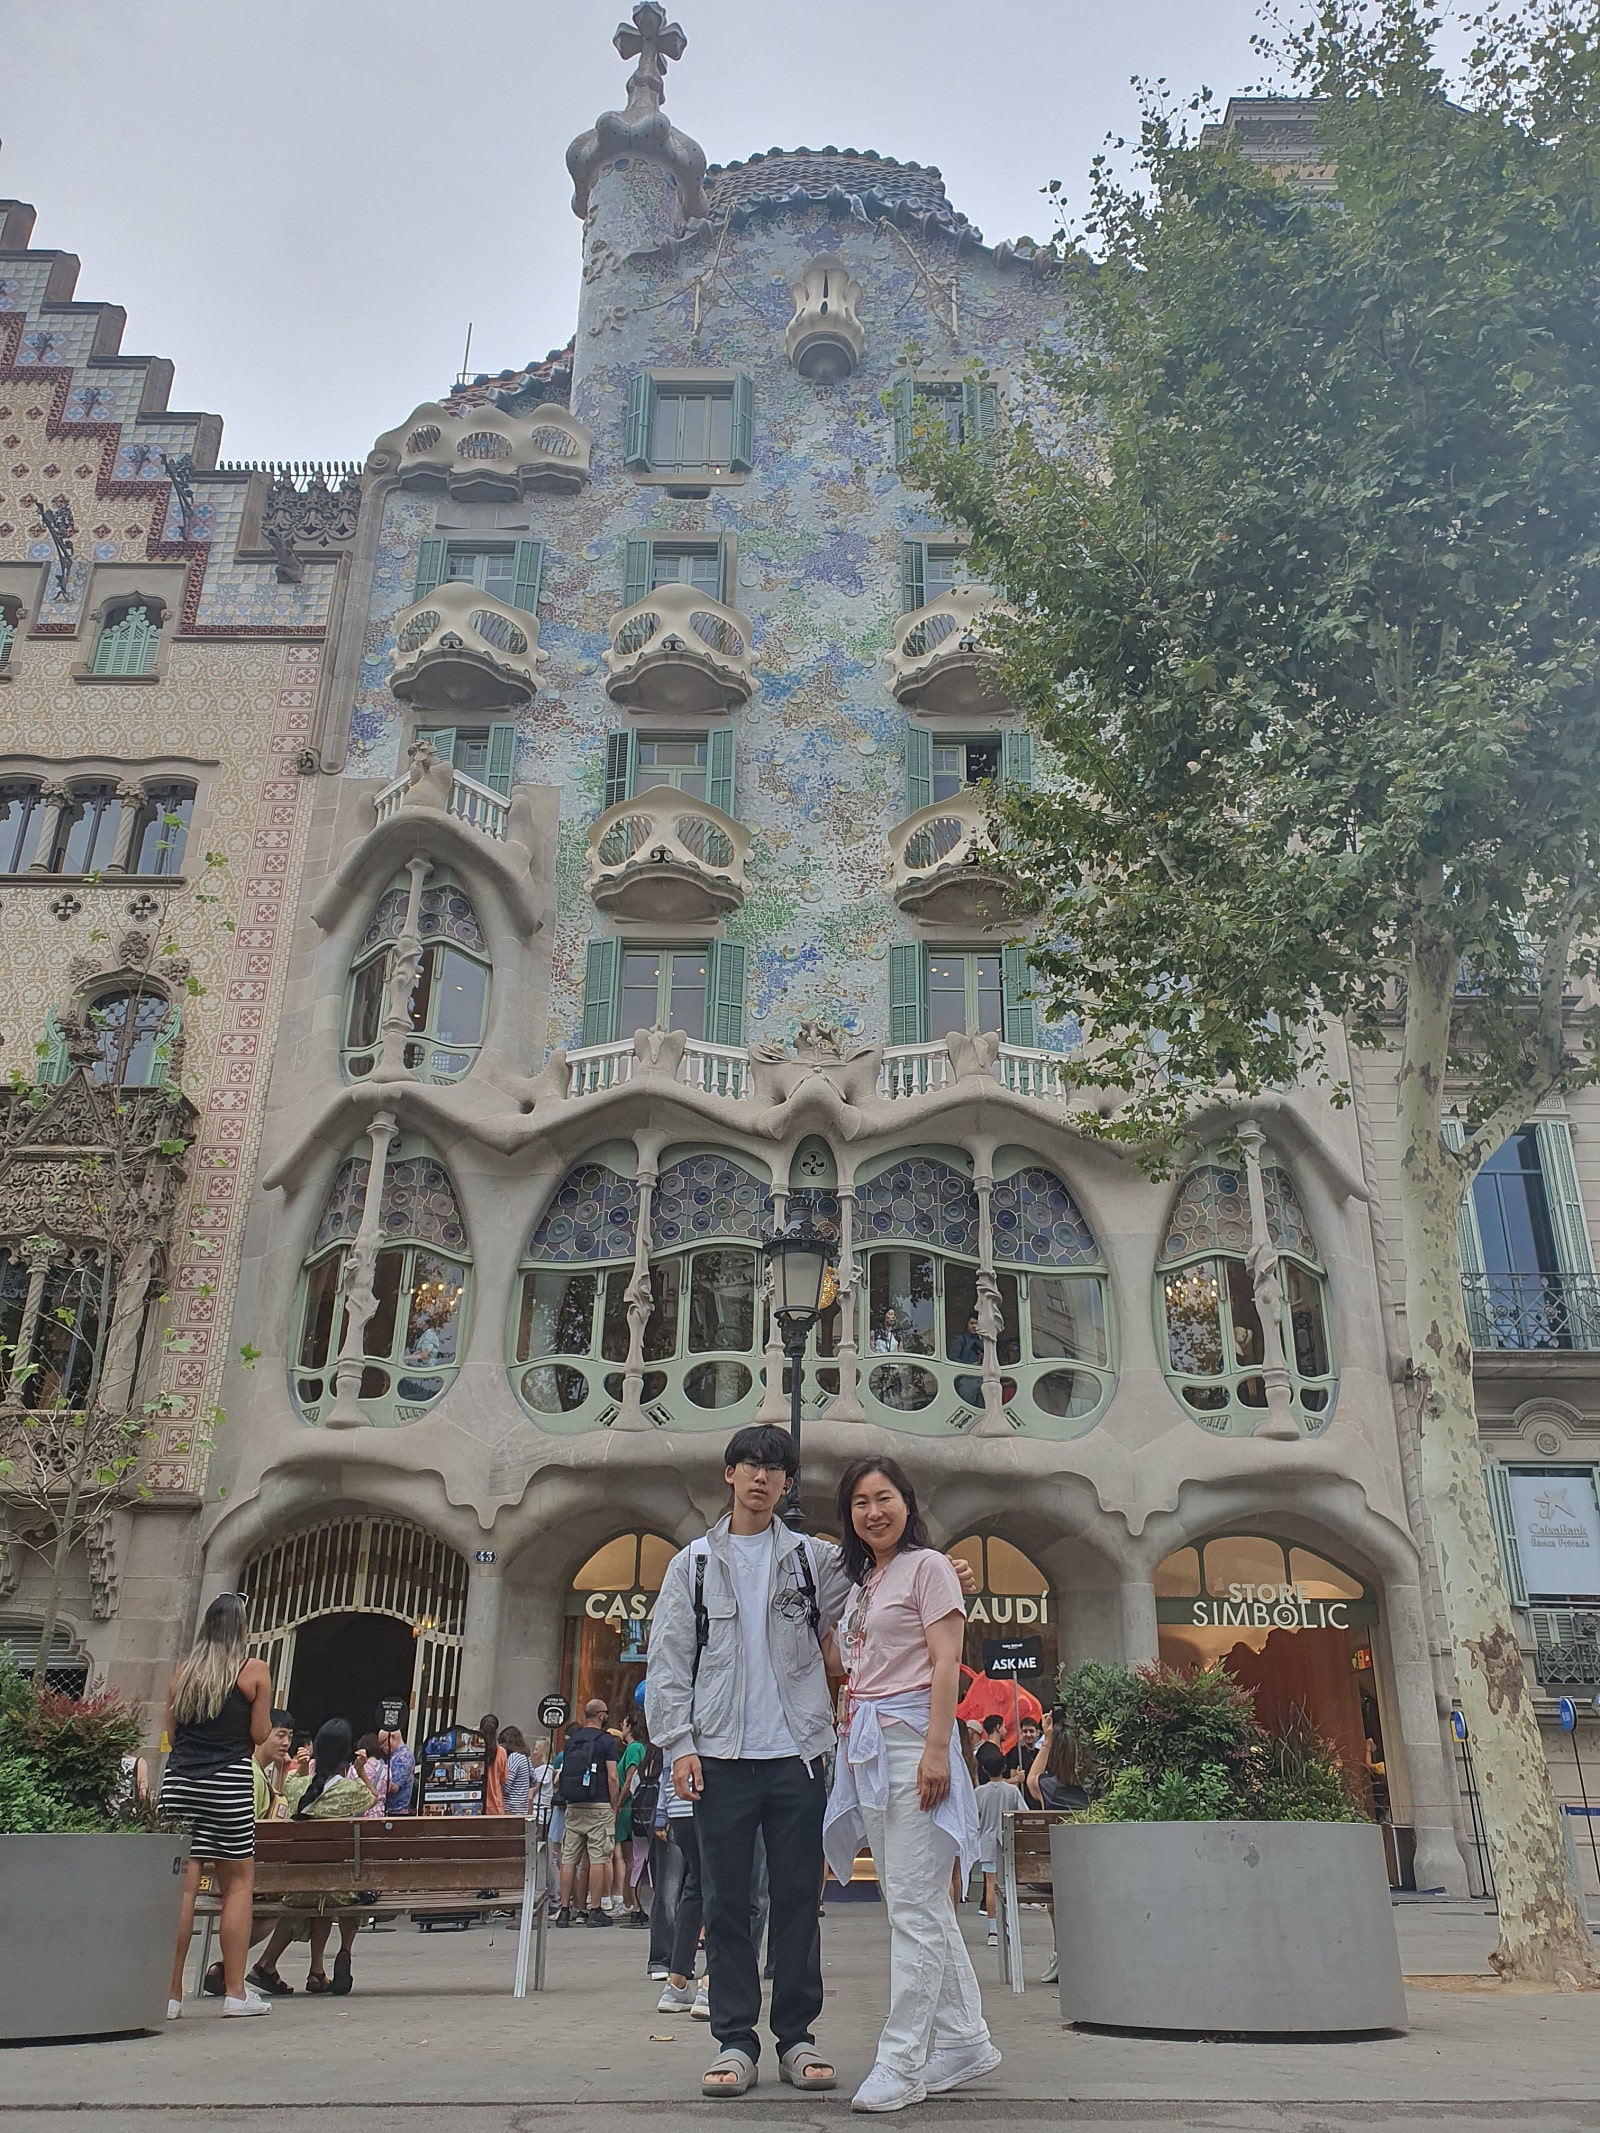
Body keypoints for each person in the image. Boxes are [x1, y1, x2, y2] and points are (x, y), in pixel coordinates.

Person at [823, 1456, 996, 2112]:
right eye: (860, 1502)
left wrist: (936, 1751)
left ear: (907, 1501)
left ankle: (901, 2058)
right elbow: (846, 1659)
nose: (873, 1512)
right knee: (912, 1900)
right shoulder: (864, 1579)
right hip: (867, 1746)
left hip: (911, 1741)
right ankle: (965, 2038)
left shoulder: (928, 1566)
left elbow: (948, 1661)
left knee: (915, 1906)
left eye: (884, 1497)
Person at [159, 1593, 275, 2020]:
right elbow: (260, 1734)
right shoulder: (253, 1671)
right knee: (238, 1885)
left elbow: (171, 1735)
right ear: (241, 1628)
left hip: (179, 1784)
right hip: (227, 1783)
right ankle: (234, 1993)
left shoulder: (182, 1675)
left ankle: (170, 1995)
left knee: (183, 1890)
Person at [253, 1719, 375, 1996]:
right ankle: (343, 1950)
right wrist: (360, 1770)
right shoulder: (350, 1790)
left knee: (315, 1890)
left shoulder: (297, 1786)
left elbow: (290, 1788)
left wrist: (301, 1769)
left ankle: (312, 1971)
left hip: (299, 1886)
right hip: (338, 1889)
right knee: (343, 1888)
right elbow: (372, 1796)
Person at [554, 1697, 620, 1926]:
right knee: (599, 1858)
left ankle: (565, 1909)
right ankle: (595, 1910)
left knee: (569, 1858)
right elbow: (612, 1776)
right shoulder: (606, 1741)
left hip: (574, 1804)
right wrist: (614, 1803)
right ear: (601, 1715)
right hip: (598, 1805)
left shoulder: (573, 1740)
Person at [614, 1707, 657, 1925]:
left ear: (630, 1727)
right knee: (635, 1857)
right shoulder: (644, 1748)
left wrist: (618, 1804)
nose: (621, 1727)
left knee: (632, 1857)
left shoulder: (633, 1748)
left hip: (631, 1807)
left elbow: (630, 1778)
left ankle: (632, 1903)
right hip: (639, 1807)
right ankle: (632, 1902)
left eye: (624, 1724)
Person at [973, 1773, 1024, 1948]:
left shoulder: (979, 1792)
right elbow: (1023, 1813)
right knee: (1008, 1886)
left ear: (985, 1770)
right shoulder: (1012, 1791)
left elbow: (973, 1816)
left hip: (987, 1842)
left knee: (990, 1886)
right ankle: (1008, 1925)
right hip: (1008, 1841)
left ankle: (993, 1930)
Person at [951, 1312, 985, 1406]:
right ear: (967, 1325)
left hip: (982, 1379)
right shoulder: (960, 1339)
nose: (974, 1326)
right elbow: (953, 1359)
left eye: (977, 1323)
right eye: (972, 1323)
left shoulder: (984, 1342)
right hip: (966, 1379)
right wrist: (968, 1366)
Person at [355, 1732, 389, 1818]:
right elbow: (388, 1790)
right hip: (379, 1815)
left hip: (360, 1814)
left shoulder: (354, 1768)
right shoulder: (386, 1769)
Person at [382, 1727, 415, 1814]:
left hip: (396, 1812)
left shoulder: (404, 1757)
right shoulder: (396, 1756)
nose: (382, 1748)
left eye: (383, 1743)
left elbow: (394, 1787)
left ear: (392, 1737)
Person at [501, 1725, 533, 1815]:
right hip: (522, 1808)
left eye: (502, 1743)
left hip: (511, 1808)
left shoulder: (514, 1757)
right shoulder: (526, 1757)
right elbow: (533, 1779)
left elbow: (507, 1785)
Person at [479, 1712, 507, 1816]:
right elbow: (503, 1779)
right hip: (496, 1805)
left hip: (476, 1804)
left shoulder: (475, 1751)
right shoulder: (502, 1752)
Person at [973, 1714, 1006, 1787]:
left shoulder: (984, 1749)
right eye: (1004, 1727)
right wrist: (1015, 1779)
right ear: (998, 1727)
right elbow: (994, 1780)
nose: (1006, 1731)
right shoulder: (992, 1754)